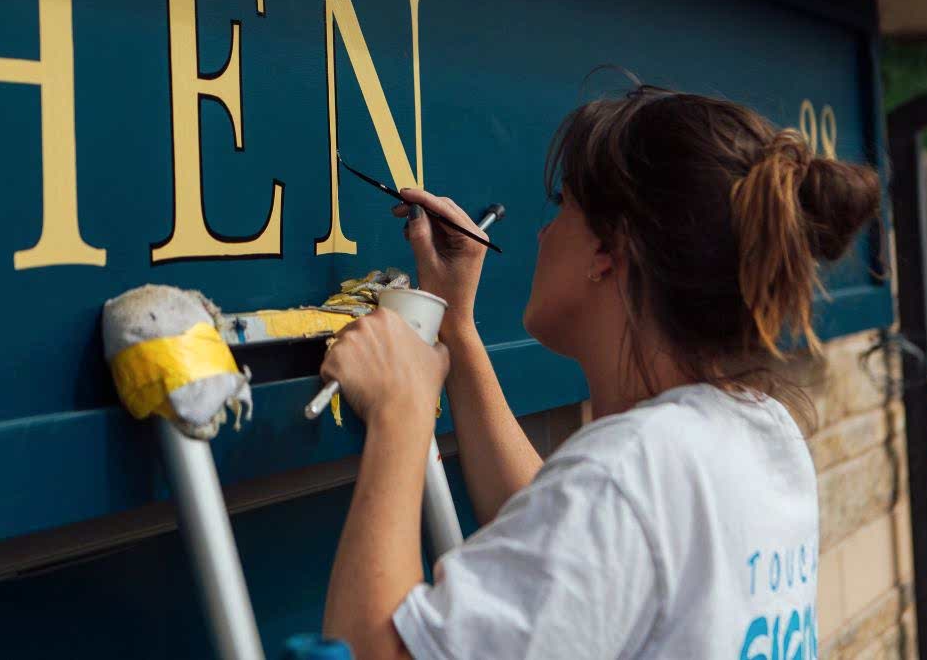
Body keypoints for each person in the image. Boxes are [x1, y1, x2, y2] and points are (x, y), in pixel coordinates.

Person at [318, 82, 881, 659]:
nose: (544, 231)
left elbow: (367, 649)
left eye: (564, 206)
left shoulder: (628, 474)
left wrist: (400, 412)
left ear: (610, 250)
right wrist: (456, 328)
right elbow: (571, 555)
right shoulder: (764, 433)